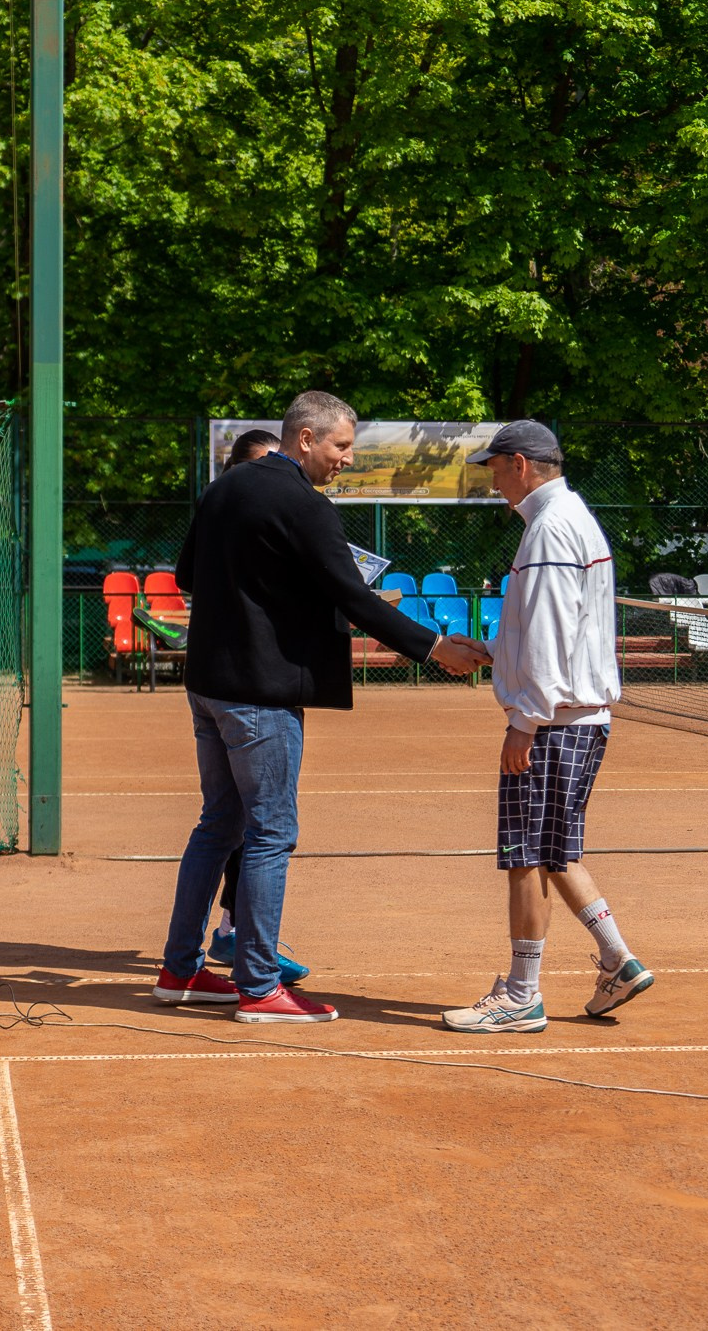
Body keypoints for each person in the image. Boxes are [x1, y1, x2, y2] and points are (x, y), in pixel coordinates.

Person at [152, 391, 489, 1022]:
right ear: (304, 439)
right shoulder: (304, 505)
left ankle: (179, 970)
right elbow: (355, 599)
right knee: (270, 831)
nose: (347, 459)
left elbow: (188, 575)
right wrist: (436, 646)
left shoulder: (226, 488)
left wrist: (268, 598)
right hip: (260, 696)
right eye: (340, 446)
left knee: (218, 825)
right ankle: (257, 986)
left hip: (209, 687)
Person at [441, 421, 651, 1034]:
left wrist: (524, 721)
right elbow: (551, 630)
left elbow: (552, 635)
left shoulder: (550, 528)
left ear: (520, 465)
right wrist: (492, 650)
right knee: (557, 852)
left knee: (524, 856)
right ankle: (618, 959)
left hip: (554, 720)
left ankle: (522, 994)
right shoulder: (567, 520)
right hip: (575, 716)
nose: (493, 480)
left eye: (494, 468)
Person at [200, 429, 313, 987]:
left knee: (234, 827)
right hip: (248, 689)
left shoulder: (276, 506)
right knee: (257, 829)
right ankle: (254, 971)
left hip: (230, 687)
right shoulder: (233, 508)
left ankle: (203, 953)